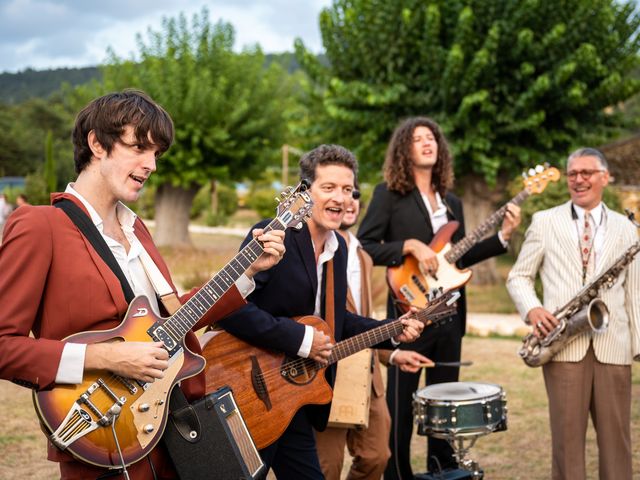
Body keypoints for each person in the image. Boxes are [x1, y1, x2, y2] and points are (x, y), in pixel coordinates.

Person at [0, 90, 286, 480]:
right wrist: (108, 358)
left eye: (156, 154)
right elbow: (4, 345)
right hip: (100, 436)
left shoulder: (138, 230)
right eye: (138, 148)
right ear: (96, 144)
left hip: (166, 429)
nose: (151, 164)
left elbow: (169, 321)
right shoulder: (39, 225)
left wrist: (247, 272)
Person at [219, 144, 425, 479]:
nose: (340, 198)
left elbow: (336, 322)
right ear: (304, 193)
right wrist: (301, 340)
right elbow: (230, 308)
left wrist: (393, 329)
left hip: (297, 397)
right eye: (328, 188)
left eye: (347, 189)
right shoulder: (273, 234)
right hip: (251, 389)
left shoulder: (338, 248)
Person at [357, 116, 521, 479]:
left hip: (451, 316)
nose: (427, 142)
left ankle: (442, 471)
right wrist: (409, 246)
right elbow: (364, 245)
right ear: (404, 148)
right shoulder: (389, 194)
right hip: (408, 316)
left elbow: (457, 259)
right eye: (417, 139)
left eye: (431, 138)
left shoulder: (451, 202)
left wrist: (503, 237)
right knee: (400, 408)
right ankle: (396, 474)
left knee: (446, 403)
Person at [507, 147, 640, 480]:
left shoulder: (627, 228)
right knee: (566, 447)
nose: (579, 180)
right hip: (564, 345)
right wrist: (533, 309)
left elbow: (634, 291)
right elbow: (519, 275)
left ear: (604, 178)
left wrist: (638, 346)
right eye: (573, 174)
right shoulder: (544, 221)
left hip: (615, 346)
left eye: (587, 173)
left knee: (617, 445)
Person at [315, 192, 433, 480]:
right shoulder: (316, 250)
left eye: (353, 192)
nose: (349, 200)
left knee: (376, 457)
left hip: (367, 379)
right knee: (325, 467)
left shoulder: (363, 257)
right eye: (338, 191)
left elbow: (360, 323)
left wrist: (391, 353)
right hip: (326, 376)